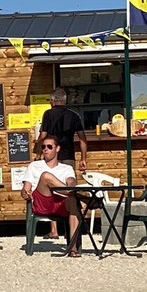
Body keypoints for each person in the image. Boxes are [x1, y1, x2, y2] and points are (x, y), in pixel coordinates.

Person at [37, 87, 88, 238]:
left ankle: (54, 230)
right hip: (69, 156)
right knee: (70, 191)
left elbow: (43, 136)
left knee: (52, 190)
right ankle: (72, 228)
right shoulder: (74, 115)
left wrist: (39, 152)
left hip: (52, 157)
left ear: (52, 101)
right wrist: (83, 158)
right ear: (65, 101)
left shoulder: (48, 114)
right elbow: (83, 138)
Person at [20, 134, 82, 256]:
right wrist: (25, 193)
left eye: (49, 146)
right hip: (42, 201)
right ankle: (74, 193)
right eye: (43, 147)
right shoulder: (34, 166)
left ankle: (72, 248)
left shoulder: (66, 168)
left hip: (61, 203)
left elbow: (71, 181)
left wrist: (71, 185)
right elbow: (25, 189)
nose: (45, 149)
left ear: (57, 149)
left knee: (73, 202)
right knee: (46, 176)